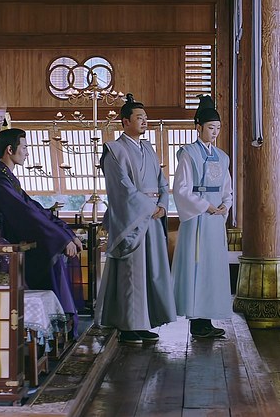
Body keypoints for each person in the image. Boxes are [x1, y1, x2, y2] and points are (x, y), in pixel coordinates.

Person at [0, 128, 80, 322]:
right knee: (50, 253)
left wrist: (66, 233)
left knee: (54, 249)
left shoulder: (6, 178)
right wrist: (61, 239)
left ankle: (59, 317)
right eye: (24, 147)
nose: (27, 153)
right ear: (10, 150)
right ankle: (55, 319)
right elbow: (26, 215)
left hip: (11, 240)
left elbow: (35, 208)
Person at [96, 94, 176, 344]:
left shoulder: (148, 148)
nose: (144, 121)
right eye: (139, 117)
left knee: (152, 271)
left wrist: (162, 204)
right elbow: (122, 188)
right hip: (133, 219)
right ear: (125, 122)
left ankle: (144, 322)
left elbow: (162, 182)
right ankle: (129, 326)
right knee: (133, 272)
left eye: (145, 117)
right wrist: (148, 207)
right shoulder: (114, 150)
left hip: (152, 216)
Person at [171, 95, 233, 338]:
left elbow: (227, 188)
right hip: (197, 218)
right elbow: (181, 189)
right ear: (198, 127)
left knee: (212, 268)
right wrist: (206, 206)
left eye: (218, 128)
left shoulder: (223, 157)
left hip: (215, 221)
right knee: (197, 266)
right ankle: (196, 321)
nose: (215, 132)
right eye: (210, 128)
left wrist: (225, 205)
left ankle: (208, 318)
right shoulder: (188, 154)